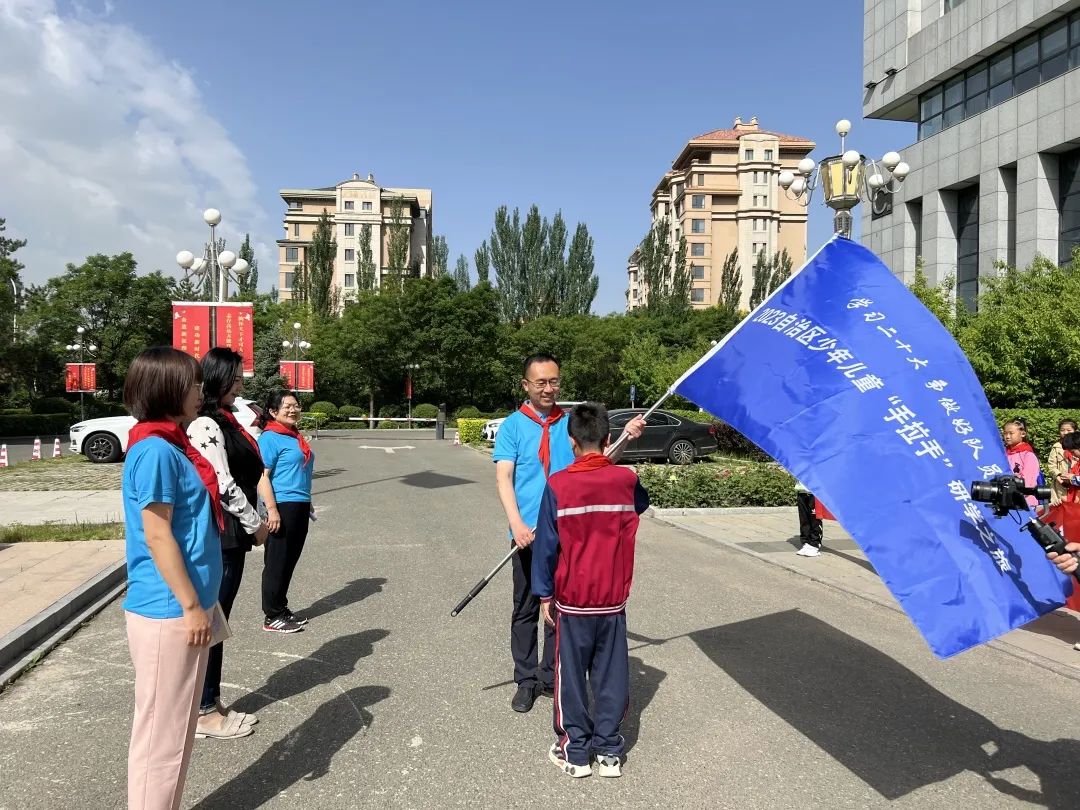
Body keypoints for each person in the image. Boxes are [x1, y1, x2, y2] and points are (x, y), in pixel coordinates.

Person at [493, 354, 644, 713]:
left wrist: (626, 437)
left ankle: (550, 675)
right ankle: (525, 679)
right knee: (526, 608)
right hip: (528, 534)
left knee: (560, 608)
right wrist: (515, 524)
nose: (549, 388)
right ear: (525, 385)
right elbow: (504, 477)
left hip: (568, 532)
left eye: (554, 381)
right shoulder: (513, 426)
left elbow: (599, 460)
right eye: (541, 382)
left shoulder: (570, 423)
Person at [121, 347, 223, 809]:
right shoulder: (156, 450)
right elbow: (158, 535)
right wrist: (190, 605)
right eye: (193, 384)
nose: (200, 392)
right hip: (169, 609)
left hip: (184, 604)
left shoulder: (171, 444)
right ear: (167, 388)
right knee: (162, 737)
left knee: (175, 729)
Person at [531, 402, 650, 778]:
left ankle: (575, 752)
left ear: (570, 441)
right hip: (613, 601)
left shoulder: (559, 485)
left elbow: (546, 547)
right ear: (608, 437)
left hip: (574, 601)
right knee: (611, 674)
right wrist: (622, 452)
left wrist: (544, 594)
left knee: (571, 677)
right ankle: (610, 750)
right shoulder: (626, 481)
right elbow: (640, 503)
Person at [187, 348, 275, 739]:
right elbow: (222, 484)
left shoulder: (226, 418)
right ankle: (204, 710)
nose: (242, 383)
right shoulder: (205, 424)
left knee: (219, 622)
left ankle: (211, 700)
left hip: (232, 534)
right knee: (214, 622)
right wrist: (255, 523)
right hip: (224, 534)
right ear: (217, 378)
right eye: (236, 377)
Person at [258, 389, 315, 634]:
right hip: (281, 504)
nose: (293, 410)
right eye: (287, 406)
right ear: (273, 412)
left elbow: (301, 472)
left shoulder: (293, 436)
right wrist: (271, 510)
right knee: (277, 561)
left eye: (296, 405)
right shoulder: (270, 438)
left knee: (289, 560)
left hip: (299, 504)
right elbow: (262, 477)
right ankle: (272, 615)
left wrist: (308, 500)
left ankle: (281, 607)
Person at [1003, 418, 1041, 508]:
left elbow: (1028, 483)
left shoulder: (1028, 455)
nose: (1007, 436)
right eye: (1005, 433)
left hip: (1025, 503)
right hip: (1005, 501)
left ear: (1023, 434)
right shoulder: (1003, 454)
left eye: (1011, 433)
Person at [1047, 418, 1078, 505]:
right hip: (1060, 486)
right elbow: (1051, 465)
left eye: (1069, 430)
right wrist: (1059, 477)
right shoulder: (1056, 447)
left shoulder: (1077, 447)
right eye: (1062, 430)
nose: (1065, 433)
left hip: (1075, 484)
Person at [794, 479, 823, 557]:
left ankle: (815, 544)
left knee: (815, 519)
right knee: (804, 519)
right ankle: (806, 543)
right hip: (801, 491)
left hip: (815, 492)